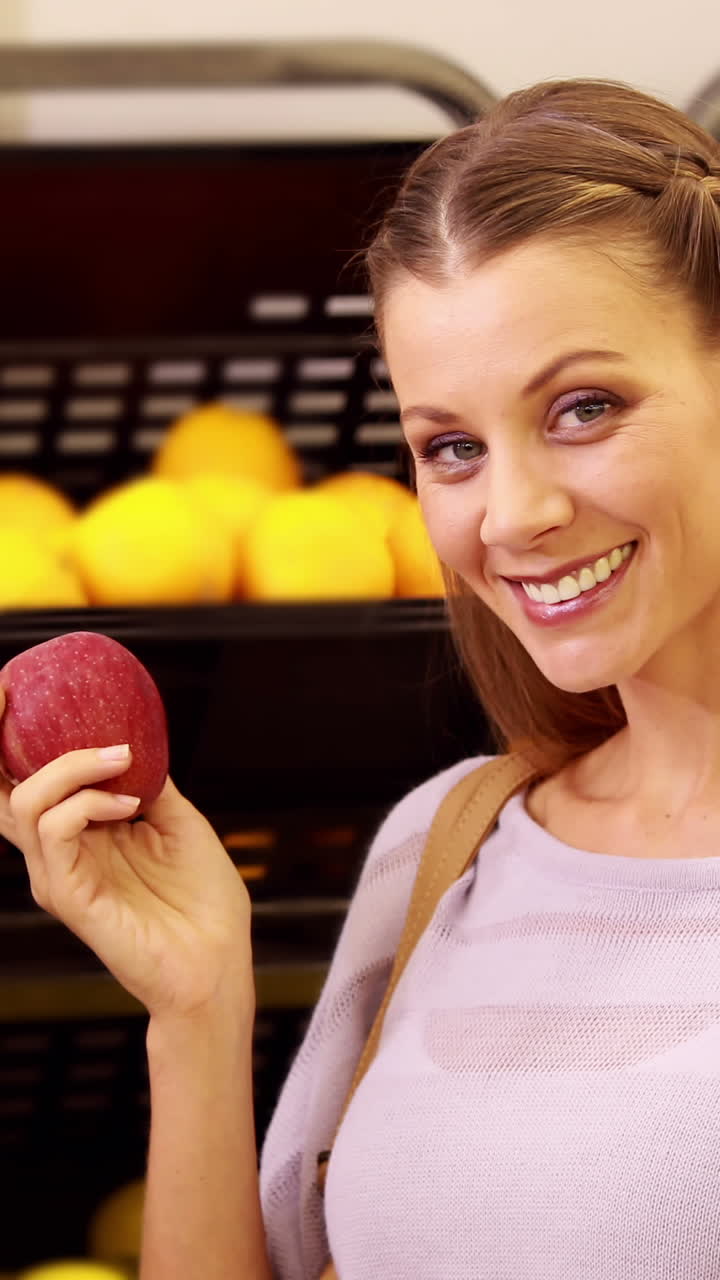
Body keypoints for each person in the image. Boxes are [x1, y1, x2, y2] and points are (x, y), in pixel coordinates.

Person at [1, 73, 720, 1278]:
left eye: (584, 407)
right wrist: (197, 1004)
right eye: (453, 445)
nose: (513, 514)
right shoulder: (444, 845)